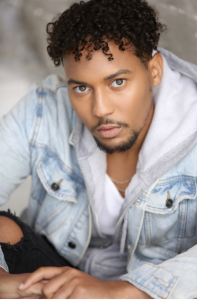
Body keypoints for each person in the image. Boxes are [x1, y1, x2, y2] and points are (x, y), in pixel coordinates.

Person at [0, 0, 197, 298]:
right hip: (53, 281)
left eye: (117, 82)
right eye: (81, 88)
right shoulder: (43, 110)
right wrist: (7, 284)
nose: (100, 109)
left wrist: (115, 292)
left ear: (154, 70)